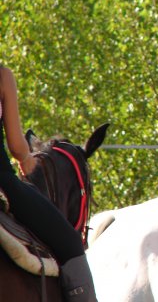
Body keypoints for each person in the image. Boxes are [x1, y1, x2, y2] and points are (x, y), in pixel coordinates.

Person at [0, 65, 97, 302]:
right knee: (71, 243)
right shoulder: (2, 76)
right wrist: (25, 159)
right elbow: (16, 145)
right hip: (3, 182)